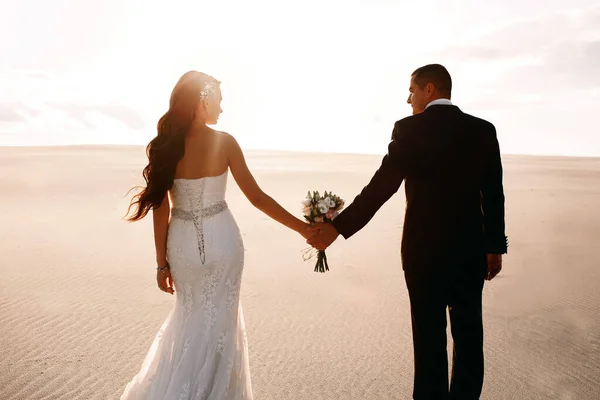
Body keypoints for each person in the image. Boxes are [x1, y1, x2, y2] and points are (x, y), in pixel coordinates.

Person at [308, 64, 508, 399]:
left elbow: (381, 187)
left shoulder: (409, 130)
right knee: (470, 338)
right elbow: (494, 193)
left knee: (429, 343)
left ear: (430, 89)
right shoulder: (483, 130)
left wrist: (337, 229)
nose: (408, 98)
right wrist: (495, 247)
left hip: (422, 254)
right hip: (470, 251)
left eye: (412, 90)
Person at [122, 71, 311, 400]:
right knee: (220, 325)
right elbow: (257, 198)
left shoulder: (165, 146)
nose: (222, 109)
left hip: (181, 246)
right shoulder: (225, 141)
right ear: (203, 101)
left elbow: (161, 209)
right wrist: (304, 229)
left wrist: (161, 264)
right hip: (223, 242)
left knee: (190, 317)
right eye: (219, 102)